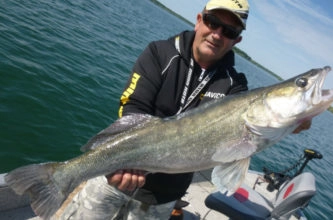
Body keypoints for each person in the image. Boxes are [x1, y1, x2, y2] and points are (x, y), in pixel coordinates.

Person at [59, 0, 310, 219]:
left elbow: (245, 138)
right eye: (213, 22)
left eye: (229, 30)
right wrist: (125, 162)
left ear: (237, 40)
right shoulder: (160, 52)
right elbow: (133, 108)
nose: (217, 34)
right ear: (199, 20)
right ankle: (60, 176)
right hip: (113, 179)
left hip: (163, 196)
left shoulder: (236, 86)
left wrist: (291, 123)